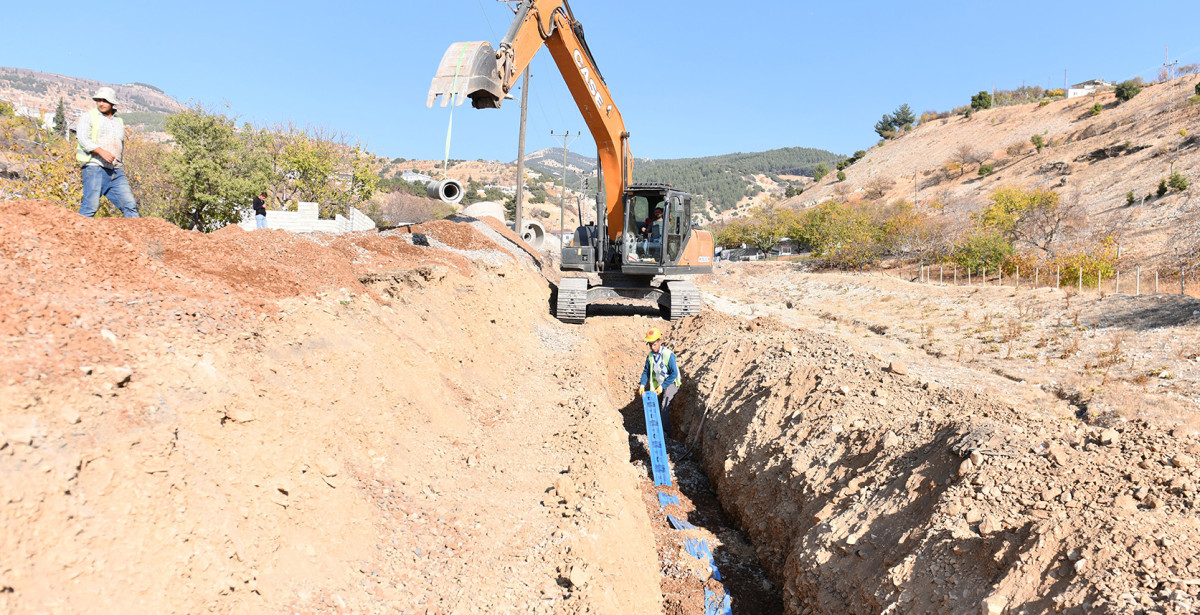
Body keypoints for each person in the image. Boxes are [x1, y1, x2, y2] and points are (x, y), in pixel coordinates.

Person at [75, 87, 139, 218]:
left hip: (116, 171)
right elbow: (83, 139)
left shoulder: (118, 121)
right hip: (94, 167)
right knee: (90, 207)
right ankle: (75, 236)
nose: (101, 103)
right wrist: (100, 151)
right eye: (99, 100)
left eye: (105, 100)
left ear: (112, 102)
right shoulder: (89, 116)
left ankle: (138, 238)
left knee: (130, 206)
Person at [637, 328, 681, 437]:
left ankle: (666, 433)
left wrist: (663, 387)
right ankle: (655, 431)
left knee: (664, 406)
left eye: (654, 344)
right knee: (655, 405)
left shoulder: (668, 355)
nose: (652, 347)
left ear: (659, 342)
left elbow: (674, 374)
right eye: (650, 345)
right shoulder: (650, 356)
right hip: (659, 384)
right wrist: (642, 385)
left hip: (671, 383)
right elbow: (646, 371)